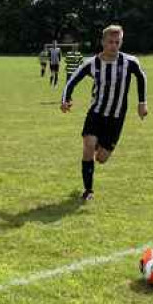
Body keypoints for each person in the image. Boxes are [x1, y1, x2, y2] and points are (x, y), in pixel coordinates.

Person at [61, 24, 147, 202]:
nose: (114, 46)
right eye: (110, 42)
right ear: (102, 42)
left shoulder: (130, 62)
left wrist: (142, 103)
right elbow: (72, 81)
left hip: (116, 118)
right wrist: (66, 99)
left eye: (118, 42)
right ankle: (88, 190)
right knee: (88, 145)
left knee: (101, 158)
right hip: (96, 113)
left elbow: (141, 77)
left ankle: (98, 149)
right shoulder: (92, 63)